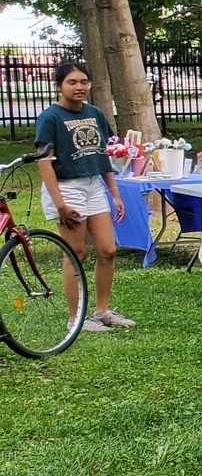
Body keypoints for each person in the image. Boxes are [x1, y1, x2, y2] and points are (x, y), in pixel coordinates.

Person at [33, 61, 129, 332]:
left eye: (83, 82)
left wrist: (115, 194)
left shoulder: (95, 113)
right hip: (66, 187)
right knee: (75, 252)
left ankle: (102, 310)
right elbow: (44, 162)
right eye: (72, 82)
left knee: (108, 250)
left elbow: (104, 155)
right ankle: (75, 318)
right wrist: (59, 204)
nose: (79, 87)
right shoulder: (50, 117)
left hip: (94, 185)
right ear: (59, 85)